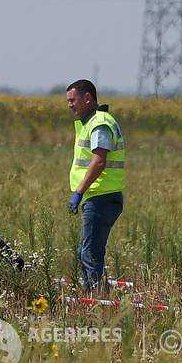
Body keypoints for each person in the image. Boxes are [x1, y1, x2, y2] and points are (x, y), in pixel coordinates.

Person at [66, 79, 127, 292]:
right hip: (98, 196)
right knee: (88, 250)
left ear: (88, 98)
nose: (70, 105)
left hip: (101, 196)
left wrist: (79, 192)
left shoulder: (99, 123)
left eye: (73, 100)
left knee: (89, 252)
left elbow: (99, 161)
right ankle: (96, 293)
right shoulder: (90, 123)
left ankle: (96, 300)